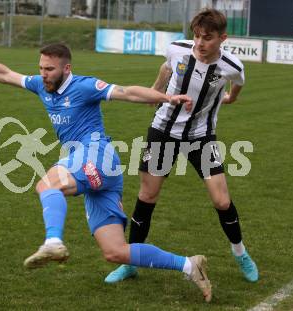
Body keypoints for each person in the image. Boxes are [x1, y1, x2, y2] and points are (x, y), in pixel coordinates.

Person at [0, 42, 212, 302]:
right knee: (115, 251)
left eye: (50, 69)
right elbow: (5, 74)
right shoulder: (41, 86)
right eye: (41, 68)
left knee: (47, 185)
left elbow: (127, 92)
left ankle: (53, 241)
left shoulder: (84, 86)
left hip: (96, 154)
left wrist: (167, 97)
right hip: (92, 165)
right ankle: (189, 265)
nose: (43, 74)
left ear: (66, 69)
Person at [105, 8, 259, 284]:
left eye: (208, 38)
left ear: (222, 38)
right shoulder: (177, 49)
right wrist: (156, 89)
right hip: (163, 131)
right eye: (197, 36)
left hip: (201, 137)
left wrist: (230, 99)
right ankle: (130, 262)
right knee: (147, 196)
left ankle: (240, 253)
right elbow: (166, 67)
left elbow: (237, 85)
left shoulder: (231, 67)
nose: (200, 43)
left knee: (222, 200)